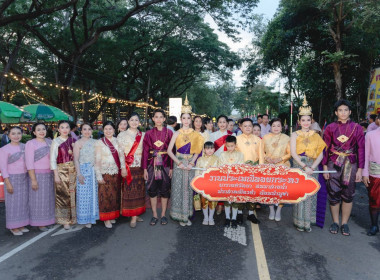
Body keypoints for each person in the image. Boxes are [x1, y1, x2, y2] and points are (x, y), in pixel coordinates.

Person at [322, 99, 365, 236]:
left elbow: (361, 149)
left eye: (346, 110)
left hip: (350, 164)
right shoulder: (330, 128)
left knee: (348, 194)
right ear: (336, 112)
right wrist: (324, 166)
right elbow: (325, 148)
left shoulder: (357, 128)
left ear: (350, 112)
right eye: (340, 110)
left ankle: (344, 223)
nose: (343, 112)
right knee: (333, 192)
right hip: (333, 163)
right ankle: (335, 221)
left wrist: (360, 169)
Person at [291, 96, 326, 232]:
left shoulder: (316, 135)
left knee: (311, 194)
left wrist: (312, 167)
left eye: (308, 120)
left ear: (311, 121)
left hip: (312, 167)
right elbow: (293, 153)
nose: (306, 122)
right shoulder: (295, 134)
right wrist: (304, 166)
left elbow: (321, 154)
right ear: (299, 121)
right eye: (303, 120)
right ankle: (299, 222)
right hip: (299, 166)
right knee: (300, 194)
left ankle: (308, 222)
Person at [168, 100, 204, 226]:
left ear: (191, 120)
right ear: (181, 119)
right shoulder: (176, 133)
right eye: (184, 118)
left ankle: (187, 215)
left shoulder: (196, 135)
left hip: (190, 164)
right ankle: (179, 216)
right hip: (179, 163)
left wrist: (191, 163)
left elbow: (197, 151)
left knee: (188, 190)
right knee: (178, 189)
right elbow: (169, 151)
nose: (186, 120)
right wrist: (179, 163)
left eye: (188, 118)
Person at [142, 109, 173, 226]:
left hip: (165, 165)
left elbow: (172, 151)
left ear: (164, 119)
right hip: (151, 165)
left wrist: (171, 168)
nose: (159, 119)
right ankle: (155, 214)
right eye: (156, 117)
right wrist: (145, 168)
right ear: (153, 119)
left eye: (161, 117)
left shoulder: (169, 133)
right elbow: (145, 152)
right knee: (152, 189)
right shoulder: (148, 134)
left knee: (165, 190)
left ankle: (163, 214)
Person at [94, 121, 127, 228]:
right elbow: (97, 160)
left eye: (110, 129)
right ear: (103, 130)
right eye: (106, 129)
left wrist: (123, 169)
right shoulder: (99, 142)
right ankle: (106, 218)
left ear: (114, 130)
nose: (108, 131)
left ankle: (112, 215)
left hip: (116, 172)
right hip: (104, 172)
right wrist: (98, 176)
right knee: (105, 196)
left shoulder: (117, 141)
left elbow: (121, 156)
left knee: (115, 195)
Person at [117, 113, 146, 228]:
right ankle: (132, 215)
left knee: (139, 190)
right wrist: (123, 167)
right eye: (132, 120)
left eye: (136, 120)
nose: (134, 122)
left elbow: (145, 152)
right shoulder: (122, 135)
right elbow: (120, 153)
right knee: (129, 191)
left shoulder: (143, 135)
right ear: (128, 121)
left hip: (139, 167)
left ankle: (136, 214)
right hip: (127, 167)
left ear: (139, 122)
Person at [25, 123, 55, 232]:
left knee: (48, 199)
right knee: (38, 200)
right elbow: (29, 163)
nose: (41, 131)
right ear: (34, 132)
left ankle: (48, 220)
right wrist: (33, 180)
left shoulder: (50, 142)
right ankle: (40, 223)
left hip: (50, 175)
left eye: (43, 129)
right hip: (37, 175)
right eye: (38, 130)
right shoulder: (30, 143)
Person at [0, 127, 30, 236]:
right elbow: (3, 167)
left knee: (23, 203)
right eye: (13, 133)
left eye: (18, 133)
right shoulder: (4, 149)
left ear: (22, 134)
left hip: (24, 177)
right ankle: (13, 227)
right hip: (11, 178)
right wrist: (7, 182)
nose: (16, 136)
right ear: (8, 135)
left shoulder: (25, 147)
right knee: (12, 204)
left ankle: (21, 224)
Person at [236, 118, 264, 224]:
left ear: (253, 127)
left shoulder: (258, 140)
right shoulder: (237, 139)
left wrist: (260, 170)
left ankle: (251, 214)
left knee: (253, 192)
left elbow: (261, 156)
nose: (247, 128)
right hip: (241, 170)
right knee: (240, 191)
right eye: (245, 126)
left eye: (250, 126)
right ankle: (239, 213)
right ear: (241, 127)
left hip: (254, 170)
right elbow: (234, 155)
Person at [50, 120, 77, 230]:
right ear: (58, 129)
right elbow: (52, 160)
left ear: (70, 129)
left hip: (73, 170)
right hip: (61, 170)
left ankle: (73, 218)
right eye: (62, 127)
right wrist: (56, 175)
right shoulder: (56, 142)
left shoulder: (74, 140)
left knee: (73, 195)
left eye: (67, 127)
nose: (65, 129)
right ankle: (64, 220)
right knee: (62, 196)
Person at [263, 118, 291, 222]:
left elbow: (289, 153)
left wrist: (281, 159)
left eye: (278, 126)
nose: (276, 128)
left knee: (281, 190)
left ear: (282, 127)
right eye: (273, 126)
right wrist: (267, 158)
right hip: (268, 166)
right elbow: (261, 152)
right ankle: (271, 209)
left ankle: (279, 209)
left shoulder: (287, 138)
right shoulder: (265, 138)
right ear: (270, 127)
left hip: (282, 165)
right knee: (269, 190)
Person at [73, 123, 98, 228]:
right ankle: (85, 218)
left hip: (94, 171)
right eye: (84, 129)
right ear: (81, 131)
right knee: (83, 195)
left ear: (92, 131)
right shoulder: (78, 143)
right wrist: (79, 174)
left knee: (93, 194)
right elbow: (76, 159)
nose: (87, 131)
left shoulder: (96, 142)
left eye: (89, 129)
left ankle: (93, 217)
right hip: (83, 170)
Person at [218, 135, 244, 229]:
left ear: (235, 145)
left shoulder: (240, 154)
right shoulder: (222, 155)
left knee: (235, 201)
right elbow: (220, 167)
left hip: (236, 181)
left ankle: (234, 218)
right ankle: (228, 218)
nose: (230, 148)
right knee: (227, 201)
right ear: (225, 145)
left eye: (232, 146)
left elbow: (241, 167)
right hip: (226, 181)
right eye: (228, 146)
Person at [363, 114, 380, 236]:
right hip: (375, 173)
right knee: (374, 200)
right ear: (378, 120)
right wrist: (365, 173)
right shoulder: (370, 135)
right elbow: (366, 155)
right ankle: (374, 225)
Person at [195, 141, 219, 225]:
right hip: (203, 184)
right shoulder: (200, 159)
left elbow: (219, 172)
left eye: (211, 148)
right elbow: (197, 172)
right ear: (204, 150)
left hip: (213, 184)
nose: (209, 150)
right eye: (207, 148)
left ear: (214, 149)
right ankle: (205, 217)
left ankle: (211, 217)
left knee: (212, 201)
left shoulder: (217, 159)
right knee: (204, 201)